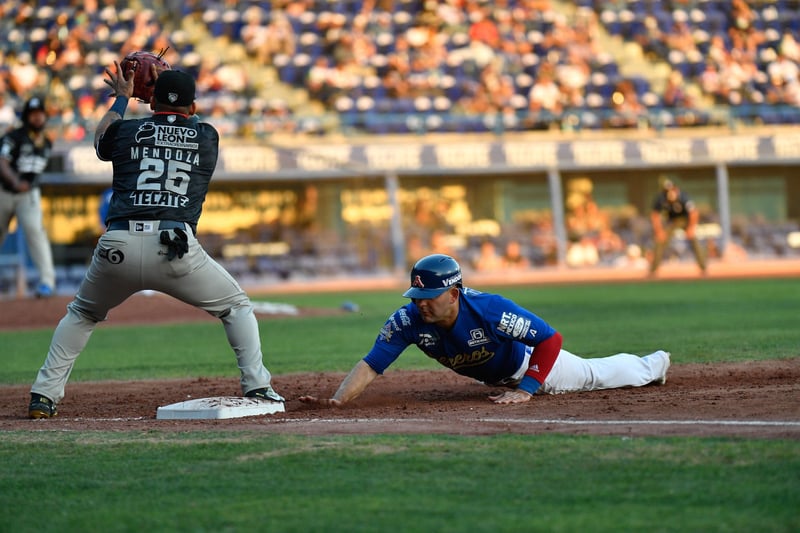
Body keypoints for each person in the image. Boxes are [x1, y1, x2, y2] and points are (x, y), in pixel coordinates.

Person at [27, 66, 283, 419]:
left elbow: (101, 140)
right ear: (192, 108)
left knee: (83, 313)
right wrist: (162, 100)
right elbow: (182, 122)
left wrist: (122, 97)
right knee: (236, 306)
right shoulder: (207, 136)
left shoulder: (128, 129)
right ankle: (257, 386)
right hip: (175, 248)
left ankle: (43, 395)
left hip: (119, 244)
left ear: (150, 103)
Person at [299, 254, 670, 407]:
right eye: (416, 295)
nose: (420, 303)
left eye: (429, 296)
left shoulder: (489, 309)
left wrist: (527, 389)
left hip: (527, 365)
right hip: (495, 374)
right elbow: (371, 364)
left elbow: (550, 339)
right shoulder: (407, 320)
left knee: (593, 375)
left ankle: (654, 365)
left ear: (454, 293)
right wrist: (337, 401)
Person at [0, 95, 57, 297]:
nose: (37, 118)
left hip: (29, 194)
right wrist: (15, 181)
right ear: (26, 116)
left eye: (40, 114)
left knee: (36, 232)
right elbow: (2, 162)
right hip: (5, 192)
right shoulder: (13, 137)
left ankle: (47, 283)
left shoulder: (47, 142)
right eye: (33, 114)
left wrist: (25, 184)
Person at [649, 178, 707, 276]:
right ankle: (653, 270)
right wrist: (659, 231)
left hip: (686, 220)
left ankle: (703, 268)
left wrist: (691, 228)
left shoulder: (684, 197)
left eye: (672, 190)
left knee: (694, 240)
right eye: (667, 191)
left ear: (676, 189)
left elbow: (694, 213)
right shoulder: (661, 198)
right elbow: (655, 216)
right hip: (672, 222)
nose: (670, 193)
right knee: (660, 240)